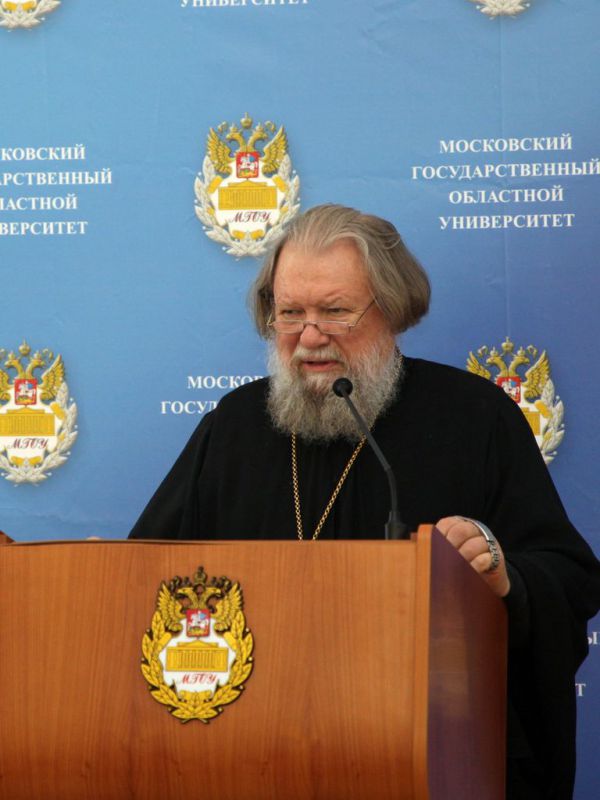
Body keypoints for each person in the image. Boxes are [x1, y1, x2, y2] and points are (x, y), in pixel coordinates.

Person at [130, 204, 600, 799]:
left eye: (335, 311)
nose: (309, 336)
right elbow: (144, 574)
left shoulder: (475, 417)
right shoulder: (234, 426)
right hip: (250, 752)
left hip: (426, 753)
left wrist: (503, 574)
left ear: (392, 308)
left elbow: (569, 578)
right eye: (290, 313)